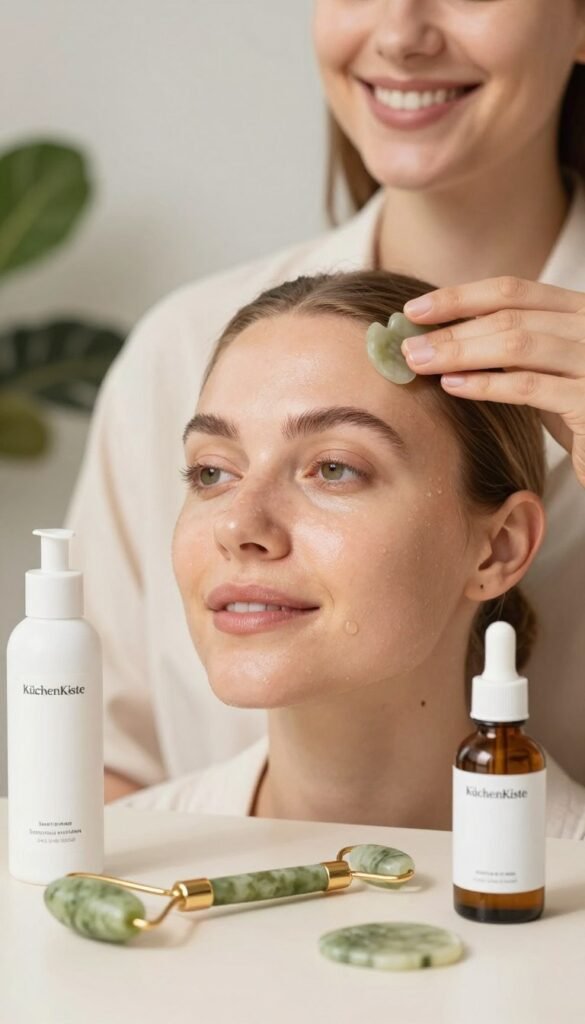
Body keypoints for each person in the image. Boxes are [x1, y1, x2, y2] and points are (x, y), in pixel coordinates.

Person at [67, 0, 585, 802]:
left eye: (337, 468)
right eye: (208, 472)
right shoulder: (185, 345)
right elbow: (100, 764)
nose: (401, 34)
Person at [116, 270, 585, 838]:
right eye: (212, 472)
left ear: (499, 550)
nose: (239, 524)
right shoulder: (109, 860)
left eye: (334, 469)